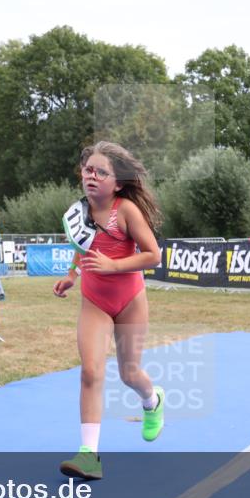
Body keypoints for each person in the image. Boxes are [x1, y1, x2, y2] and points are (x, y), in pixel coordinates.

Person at [53, 142, 164, 480]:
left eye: (101, 172)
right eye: (88, 170)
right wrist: (72, 275)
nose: (92, 176)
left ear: (117, 183)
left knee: (129, 373)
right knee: (90, 372)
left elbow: (153, 255)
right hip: (95, 302)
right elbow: (82, 246)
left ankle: (152, 400)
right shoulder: (79, 211)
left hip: (130, 301)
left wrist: (113, 266)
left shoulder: (126, 210)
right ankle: (89, 455)